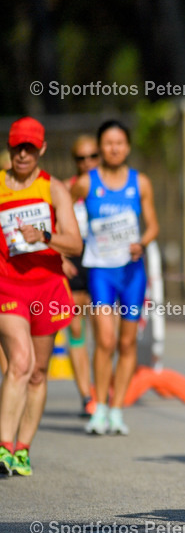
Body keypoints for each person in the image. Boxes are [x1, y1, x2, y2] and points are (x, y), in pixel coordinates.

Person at [0, 117, 82, 476]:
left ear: (41, 150)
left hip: (46, 288)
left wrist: (44, 236)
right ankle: (4, 445)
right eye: (17, 146)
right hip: (7, 286)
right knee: (19, 360)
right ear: (9, 147)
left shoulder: (54, 190)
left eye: (29, 148)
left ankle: (22, 448)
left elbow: (75, 243)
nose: (22, 154)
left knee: (37, 371)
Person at [72, 121, 159, 437]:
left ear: (128, 147)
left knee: (126, 342)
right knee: (105, 340)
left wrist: (143, 242)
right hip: (100, 272)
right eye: (107, 143)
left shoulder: (141, 183)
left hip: (132, 271)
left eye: (120, 142)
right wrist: (68, 247)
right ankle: (99, 408)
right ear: (99, 147)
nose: (114, 148)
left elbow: (152, 225)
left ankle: (118, 409)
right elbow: (63, 212)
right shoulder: (86, 183)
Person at [64, 135, 100, 417]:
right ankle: (87, 395)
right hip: (74, 262)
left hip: (102, 261)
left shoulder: (109, 186)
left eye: (92, 156)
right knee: (76, 329)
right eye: (81, 158)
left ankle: (101, 390)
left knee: (103, 331)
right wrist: (60, 258)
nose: (87, 163)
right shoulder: (65, 190)